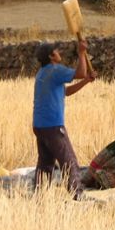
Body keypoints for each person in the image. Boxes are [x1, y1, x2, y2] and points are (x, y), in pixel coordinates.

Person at [32, 39, 96, 199]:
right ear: (51, 56)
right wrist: (81, 53)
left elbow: (65, 92)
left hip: (40, 126)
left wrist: (86, 81)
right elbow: (80, 72)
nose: (59, 53)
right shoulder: (55, 70)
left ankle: (39, 195)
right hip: (53, 125)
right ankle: (77, 195)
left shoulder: (43, 74)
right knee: (69, 162)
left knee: (45, 164)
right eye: (57, 51)